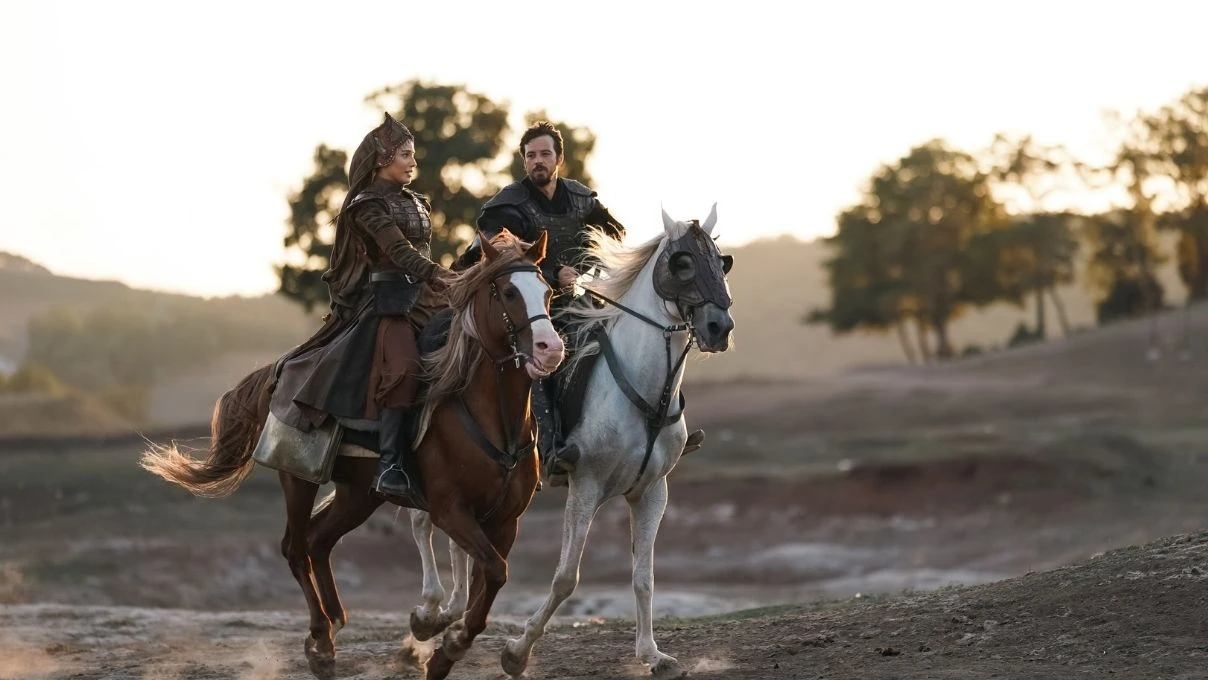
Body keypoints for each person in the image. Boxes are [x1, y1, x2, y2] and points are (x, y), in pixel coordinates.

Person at [458, 121, 702, 479]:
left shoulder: (580, 198)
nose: (537, 161)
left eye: (544, 154)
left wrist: (582, 267)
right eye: (530, 156)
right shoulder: (507, 206)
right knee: (542, 361)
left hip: (578, 301)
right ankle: (553, 447)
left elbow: (613, 236)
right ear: (523, 162)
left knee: (636, 338)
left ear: (559, 158)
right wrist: (555, 273)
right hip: (525, 309)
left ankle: (669, 428)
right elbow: (499, 251)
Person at [268, 112, 454, 503]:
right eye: (405, 154)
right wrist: (439, 274)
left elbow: (420, 251)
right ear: (383, 159)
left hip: (427, 299)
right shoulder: (366, 205)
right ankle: (391, 465)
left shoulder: (418, 202)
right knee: (404, 368)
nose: (413, 162)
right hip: (385, 305)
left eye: (412, 154)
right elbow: (398, 251)